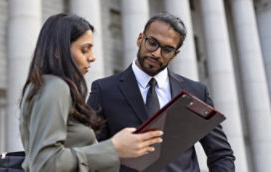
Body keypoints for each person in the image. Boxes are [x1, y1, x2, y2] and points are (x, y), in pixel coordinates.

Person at [87, 13, 236, 172]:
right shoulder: (104, 90)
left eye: (167, 49)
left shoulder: (196, 92)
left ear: (175, 55)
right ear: (140, 39)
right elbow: (87, 150)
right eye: (152, 43)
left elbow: (221, 153)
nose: (156, 53)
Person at [19, 13, 163, 172]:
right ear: (57, 51)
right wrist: (113, 147)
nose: (93, 57)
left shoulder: (44, 86)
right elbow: (45, 163)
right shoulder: (55, 87)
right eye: (85, 50)